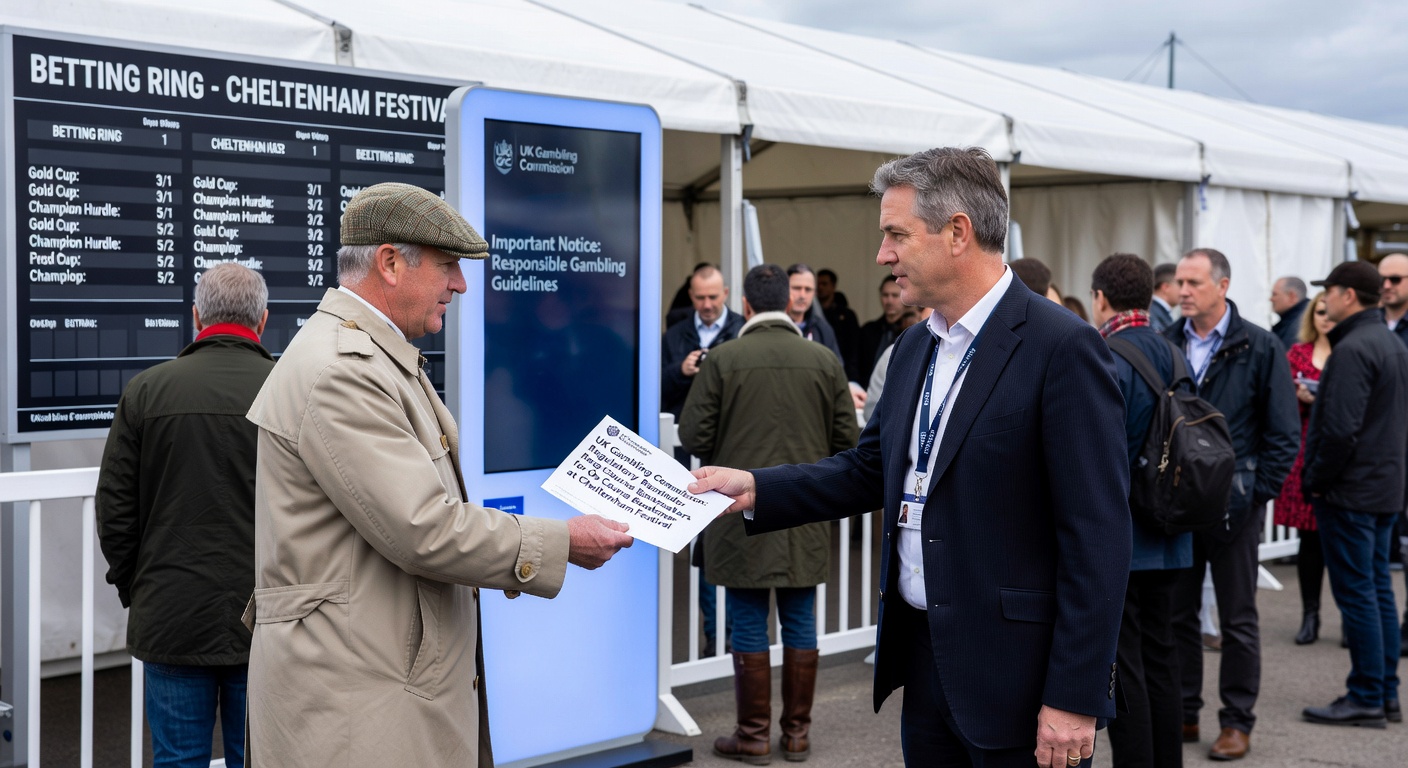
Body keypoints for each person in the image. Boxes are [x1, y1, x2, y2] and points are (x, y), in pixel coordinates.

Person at [690, 147, 1132, 768]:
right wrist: (757, 487)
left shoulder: (1062, 349)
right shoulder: (913, 349)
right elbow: (871, 468)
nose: (882, 254)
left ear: (957, 232)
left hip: (1022, 682)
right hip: (926, 668)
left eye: (896, 234)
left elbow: (1099, 538)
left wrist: (1074, 697)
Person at [242, 183, 634, 767]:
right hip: (357, 703)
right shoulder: (343, 371)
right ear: (391, 263)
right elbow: (423, 528)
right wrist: (561, 541)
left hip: (369, 684)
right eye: (449, 265)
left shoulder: (369, 355)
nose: (461, 285)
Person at [95, 263, 274, 768]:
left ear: (197, 317)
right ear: (262, 321)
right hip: (268, 620)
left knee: (178, 760)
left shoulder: (146, 392)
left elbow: (115, 512)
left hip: (170, 615)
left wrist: (139, 589)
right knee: (259, 758)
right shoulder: (289, 389)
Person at [679, 263, 859, 763]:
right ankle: (797, 735)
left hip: (737, 512)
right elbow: (849, 443)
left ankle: (753, 735)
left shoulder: (724, 359)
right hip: (805, 508)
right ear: (788, 301)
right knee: (801, 621)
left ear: (748, 305)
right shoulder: (824, 360)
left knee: (748, 622)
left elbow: (693, 435)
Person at [1163, 248, 1300, 761]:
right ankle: (1183, 711)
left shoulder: (1259, 346)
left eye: (1194, 282)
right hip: (1177, 508)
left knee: (1238, 620)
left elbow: (1285, 435)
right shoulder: (1168, 342)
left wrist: (1253, 493)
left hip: (1234, 507)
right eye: (1179, 282)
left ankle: (1237, 721)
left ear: (1222, 286)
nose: (1183, 291)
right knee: (1178, 615)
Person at [1090, 253, 1192, 768]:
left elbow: (1102, 456)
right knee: (1162, 659)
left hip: (1127, 538)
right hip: (1172, 533)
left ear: (1101, 298)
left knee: (1125, 670)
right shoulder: (1177, 354)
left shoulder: (1108, 355)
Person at [1301, 261, 1408, 728]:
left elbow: (1339, 432)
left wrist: (1317, 479)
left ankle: (1367, 693)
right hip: (1382, 487)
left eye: (1330, 291)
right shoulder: (1388, 341)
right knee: (1377, 590)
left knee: (1360, 594)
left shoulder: (1353, 348)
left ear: (1348, 295)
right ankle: (1383, 692)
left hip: (1352, 491)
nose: (1324, 299)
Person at [1273, 291, 1335, 645]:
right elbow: (1280, 410)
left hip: (1340, 455)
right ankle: (1310, 615)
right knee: (1309, 542)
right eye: (1320, 312)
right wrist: (1299, 399)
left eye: (1330, 312)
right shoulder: (1296, 353)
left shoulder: (1348, 352)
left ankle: (1350, 619)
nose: (1326, 318)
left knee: (1340, 543)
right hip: (1304, 452)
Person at [661, 264, 745, 419]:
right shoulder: (673, 335)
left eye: (713, 297)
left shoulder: (743, 332)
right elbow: (655, 388)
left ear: (725, 293)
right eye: (700, 298)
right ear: (691, 295)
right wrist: (681, 371)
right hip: (682, 432)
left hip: (728, 430)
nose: (707, 305)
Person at [1380, 253, 1408, 656]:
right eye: (1382, 278)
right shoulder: (1375, 325)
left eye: (1396, 278)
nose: (1387, 285)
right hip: (1384, 457)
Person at [857, 275, 906, 386]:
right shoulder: (868, 330)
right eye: (885, 295)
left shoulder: (911, 332)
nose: (889, 301)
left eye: (895, 295)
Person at [817, 267, 862, 380]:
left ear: (833, 286)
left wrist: (852, 378)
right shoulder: (811, 315)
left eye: (824, 284)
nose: (820, 287)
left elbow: (854, 348)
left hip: (842, 371)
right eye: (817, 284)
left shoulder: (847, 315)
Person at [1271, 276, 1310, 351]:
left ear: (1292, 296)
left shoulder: (1299, 325)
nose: (1271, 299)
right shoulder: (1293, 321)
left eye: (1275, 294)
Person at [1149, 263, 1179, 332]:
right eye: (1180, 284)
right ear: (1166, 287)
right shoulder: (1153, 316)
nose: (1184, 290)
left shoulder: (1154, 312)